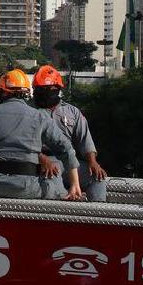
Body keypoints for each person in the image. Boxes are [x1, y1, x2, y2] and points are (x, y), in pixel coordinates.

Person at [0, 69, 83, 201]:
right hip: (28, 188)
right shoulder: (39, 116)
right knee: (57, 187)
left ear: (4, 92)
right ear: (25, 92)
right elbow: (66, 148)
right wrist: (75, 184)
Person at [31, 65, 108, 202]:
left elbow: (85, 140)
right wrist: (41, 158)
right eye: (37, 90)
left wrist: (93, 162)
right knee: (51, 182)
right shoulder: (29, 112)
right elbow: (23, 143)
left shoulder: (72, 112)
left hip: (71, 162)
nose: (40, 93)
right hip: (44, 162)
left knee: (98, 177)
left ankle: (97, 213)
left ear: (57, 89)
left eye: (44, 90)